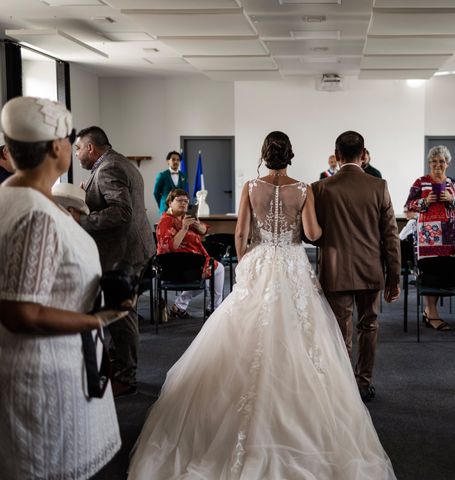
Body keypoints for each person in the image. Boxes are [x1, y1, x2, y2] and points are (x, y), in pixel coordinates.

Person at [128, 131, 396, 479]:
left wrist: (246, 265)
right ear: (290, 155)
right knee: (304, 335)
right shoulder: (304, 189)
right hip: (292, 264)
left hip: (260, 262)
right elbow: (313, 234)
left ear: (264, 155)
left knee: (246, 334)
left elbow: (241, 233)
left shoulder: (251, 187)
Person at [0, 96, 127, 479]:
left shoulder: (11, 195)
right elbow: (21, 311)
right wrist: (95, 319)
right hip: (43, 373)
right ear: (57, 147)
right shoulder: (36, 214)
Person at [312, 131, 400, 403]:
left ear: (337, 157)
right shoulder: (379, 186)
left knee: (339, 331)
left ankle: (340, 387)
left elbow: (309, 234)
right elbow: (391, 235)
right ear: (363, 156)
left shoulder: (320, 188)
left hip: (335, 270)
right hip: (370, 270)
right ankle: (363, 383)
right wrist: (394, 277)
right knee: (369, 326)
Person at [75, 126, 155, 397]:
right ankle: (117, 367)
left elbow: (121, 212)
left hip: (123, 253)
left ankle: (125, 375)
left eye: (77, 148)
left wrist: (80, 220)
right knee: (122, 310)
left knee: (122, 314)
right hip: (133, 249)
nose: (75, 154)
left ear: (90, 148)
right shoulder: (119, 163)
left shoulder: (109, 168)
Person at [405, 144, 455, 331]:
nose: (437, 165)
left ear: (447, 163)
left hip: (449, 233)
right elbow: (408, 206)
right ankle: (432, 313)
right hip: (427, 234)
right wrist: (424, 201)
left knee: (442, 269)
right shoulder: (420, 182)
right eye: (434, 161)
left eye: (441, 161)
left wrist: (452, 200)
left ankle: (428, 310)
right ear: (429, 163)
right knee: (429, 270)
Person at [156, 188, 224, 316]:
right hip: (175, 266)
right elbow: (170, 247)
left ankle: (180, 306)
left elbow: (204, 230)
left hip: (191, 263)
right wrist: (184, 228)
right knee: (217, 269)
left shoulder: (186, 217)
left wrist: (198, 226)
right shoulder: (166, 221)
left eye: (186, 201)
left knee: (209, 274)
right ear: (170, 203)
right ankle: (214, 308)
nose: (183, 203)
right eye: (179, 200)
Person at [153, 150, 188, 215]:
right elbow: (156, 193)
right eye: (173, 159)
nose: (176, 161)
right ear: (168, 161)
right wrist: (162, 205)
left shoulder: (183, 176)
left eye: (178, 160)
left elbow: (183, 192)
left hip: (179, 210)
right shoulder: (162, 175)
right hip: (165, 209)